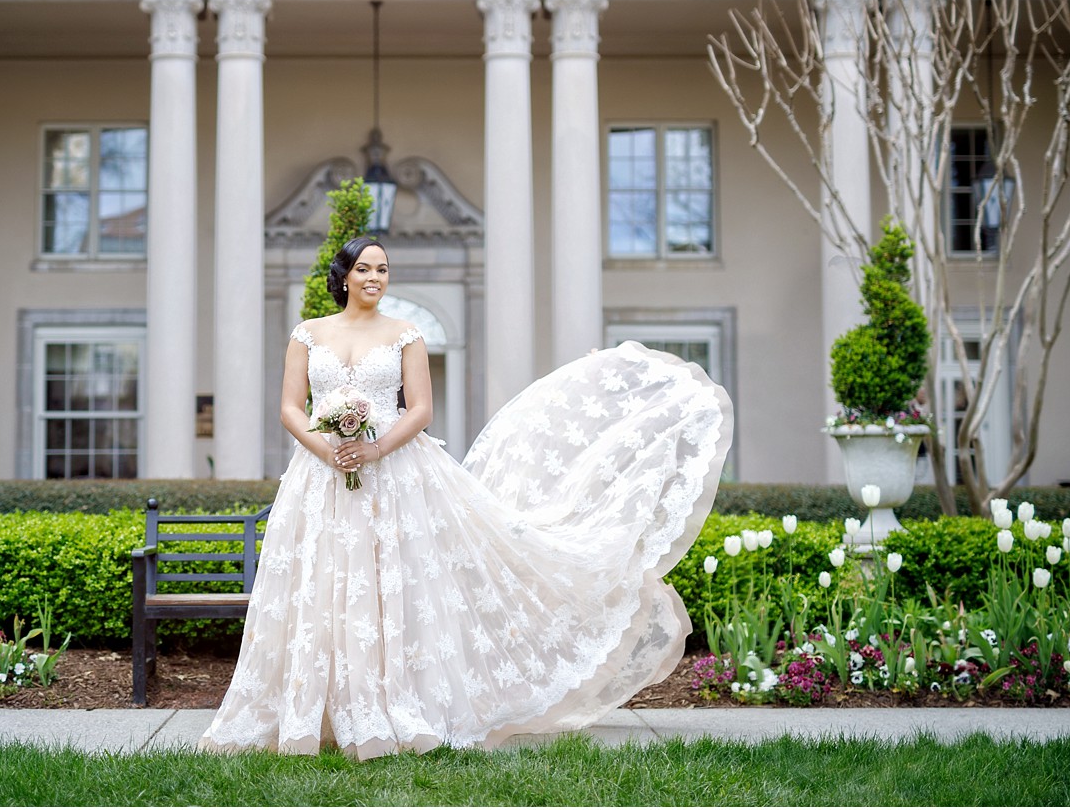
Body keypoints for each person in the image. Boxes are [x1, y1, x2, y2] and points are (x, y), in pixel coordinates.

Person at [198, 237, 732, 759]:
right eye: (364, 268)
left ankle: (396, 703)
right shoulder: (308, 335)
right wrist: (329, 450)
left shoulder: (405, 334)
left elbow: (420, 409)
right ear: (342, 277)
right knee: (324, 586)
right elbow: (292, 407)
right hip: (320, 478)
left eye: (382, 269)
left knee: (396, 586)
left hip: (394, 475)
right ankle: (321, 711)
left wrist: (374, 449)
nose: (375, 278)